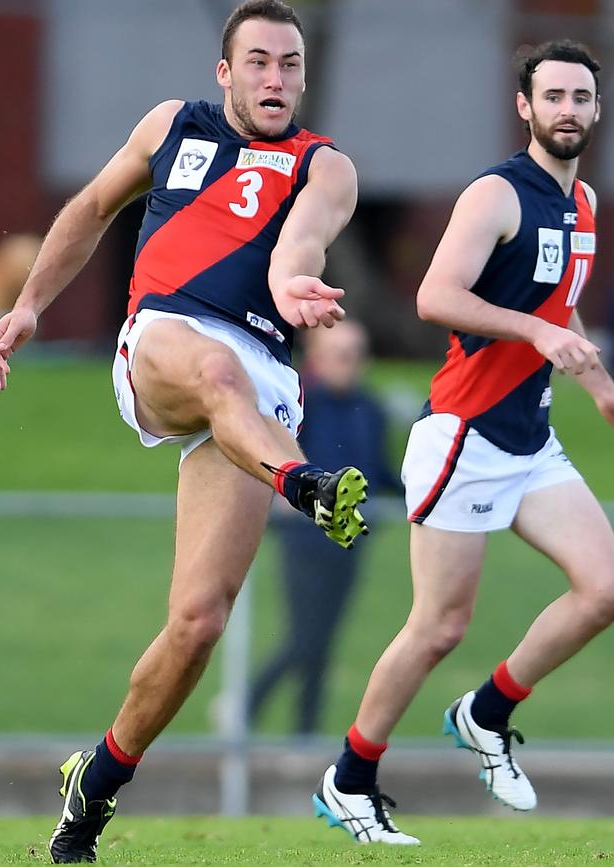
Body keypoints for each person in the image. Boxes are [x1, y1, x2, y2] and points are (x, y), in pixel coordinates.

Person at [0, 1, 370, 861]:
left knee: (197, 623)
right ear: (225, 73)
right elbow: (87, 210)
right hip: (163, 343)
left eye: (291, 66)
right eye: (259, 63)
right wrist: (30, 306)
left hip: (257, 384)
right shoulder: (171, 125)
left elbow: (293, 246)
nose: (277, 80)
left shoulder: (324, 166)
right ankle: (305, 484)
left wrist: (295, 281)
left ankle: (95, 784)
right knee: (218, 373)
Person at [314, 39, 614, 846]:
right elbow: (435, 295)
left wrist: (598, 382)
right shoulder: (495, 193)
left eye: (582, 98)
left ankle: (486, 711)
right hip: (464, 437)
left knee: (607, 587)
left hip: (530, 441)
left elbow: (559, 305)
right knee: (440, 625)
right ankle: (350, 777)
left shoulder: (582, 203)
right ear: (525, 107)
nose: (568, 111)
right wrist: (536, 333)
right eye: (553, 96)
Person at [248, 319, 403, 734]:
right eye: (340, 354)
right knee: (304, 637)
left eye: (356, 354)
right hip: (303, 536)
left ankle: (305, 731)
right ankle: (246, 705)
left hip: (349, 540)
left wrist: (420, 495)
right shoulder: (302, 406)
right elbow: (277, 461)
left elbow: (380, 470)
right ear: (318, 357)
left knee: (323, 642)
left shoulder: (370, 409)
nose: (350, 364)